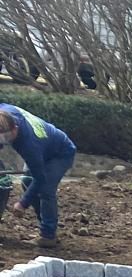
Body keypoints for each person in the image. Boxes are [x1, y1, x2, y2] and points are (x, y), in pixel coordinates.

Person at [0, 105, 76, 247]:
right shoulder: (4, 111)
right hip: (43, 148)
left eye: (6, 138)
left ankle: (48, 237)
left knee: (46, 189)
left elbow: (40, 178)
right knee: (27, 181)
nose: (5, 142)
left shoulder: (28, 145)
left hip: (60, 153)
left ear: (15, 128)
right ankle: (45, 225)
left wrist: (22, 203)